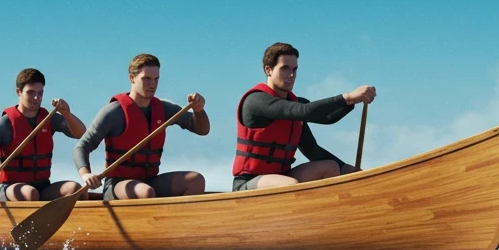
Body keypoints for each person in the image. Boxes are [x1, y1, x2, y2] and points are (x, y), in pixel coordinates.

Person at [232, 41, 376, 191]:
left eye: (295, 69)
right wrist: (348, 97)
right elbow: (305, 111)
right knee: (290, 185)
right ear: (268, 70)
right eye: (285, 68)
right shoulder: (256, 101)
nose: (292, 75)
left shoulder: (296, 104)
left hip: (283, 176)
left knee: (331, 168)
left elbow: (320, 133)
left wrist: (345, 169)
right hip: (249, 182)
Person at [73, 53, 210, 200]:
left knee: (196, 180)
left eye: (156, 79)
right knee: (146, 192)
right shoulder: (113, 112)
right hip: (117, 184)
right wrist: (86, 174)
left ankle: (179, 222)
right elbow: (82, 146)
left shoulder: (164, 109)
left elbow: (202, 130)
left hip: (150, 180)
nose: (152, 85)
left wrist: (198, 110)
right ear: (132, 78)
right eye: (146, 79)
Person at [0, 68, 88, 202]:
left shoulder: (48, 118)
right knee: (30, 193)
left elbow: (81, 133)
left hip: (43, 186)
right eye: (31, 92)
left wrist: (66, 113)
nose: (36, 98)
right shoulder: (4, 124)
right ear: (18, 92)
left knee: (75, 189)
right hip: (12, 188)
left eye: (40, 93)